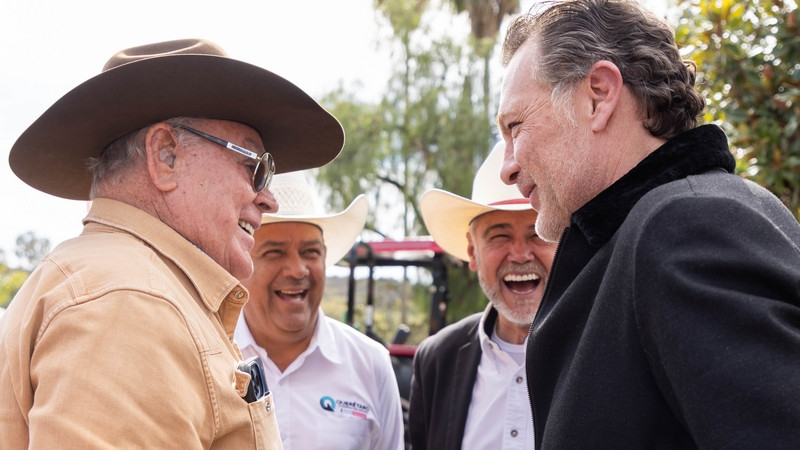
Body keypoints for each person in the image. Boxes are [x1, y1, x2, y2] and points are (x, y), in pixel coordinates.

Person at [0, 38, 345, 449]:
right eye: (254, 167)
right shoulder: (130, 302)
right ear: (166, 156)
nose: (268, 199)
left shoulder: (119, 285)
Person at [496, 1, 800, 448]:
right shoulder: (676, 222)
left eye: (515, 126)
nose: (507, 168)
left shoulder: (686, 226)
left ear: (599, 94)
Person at [234, 171, 405, 450]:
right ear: (241, 263)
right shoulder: (207, 358)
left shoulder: (371, 365)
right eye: (274, 252)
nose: (297, 269)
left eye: (310, 252)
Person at [408, 141, 556, 450]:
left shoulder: (605, 350)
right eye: (499, 236)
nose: (518, 254)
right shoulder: (437, 360)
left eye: (537, 233)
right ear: (473, 251)